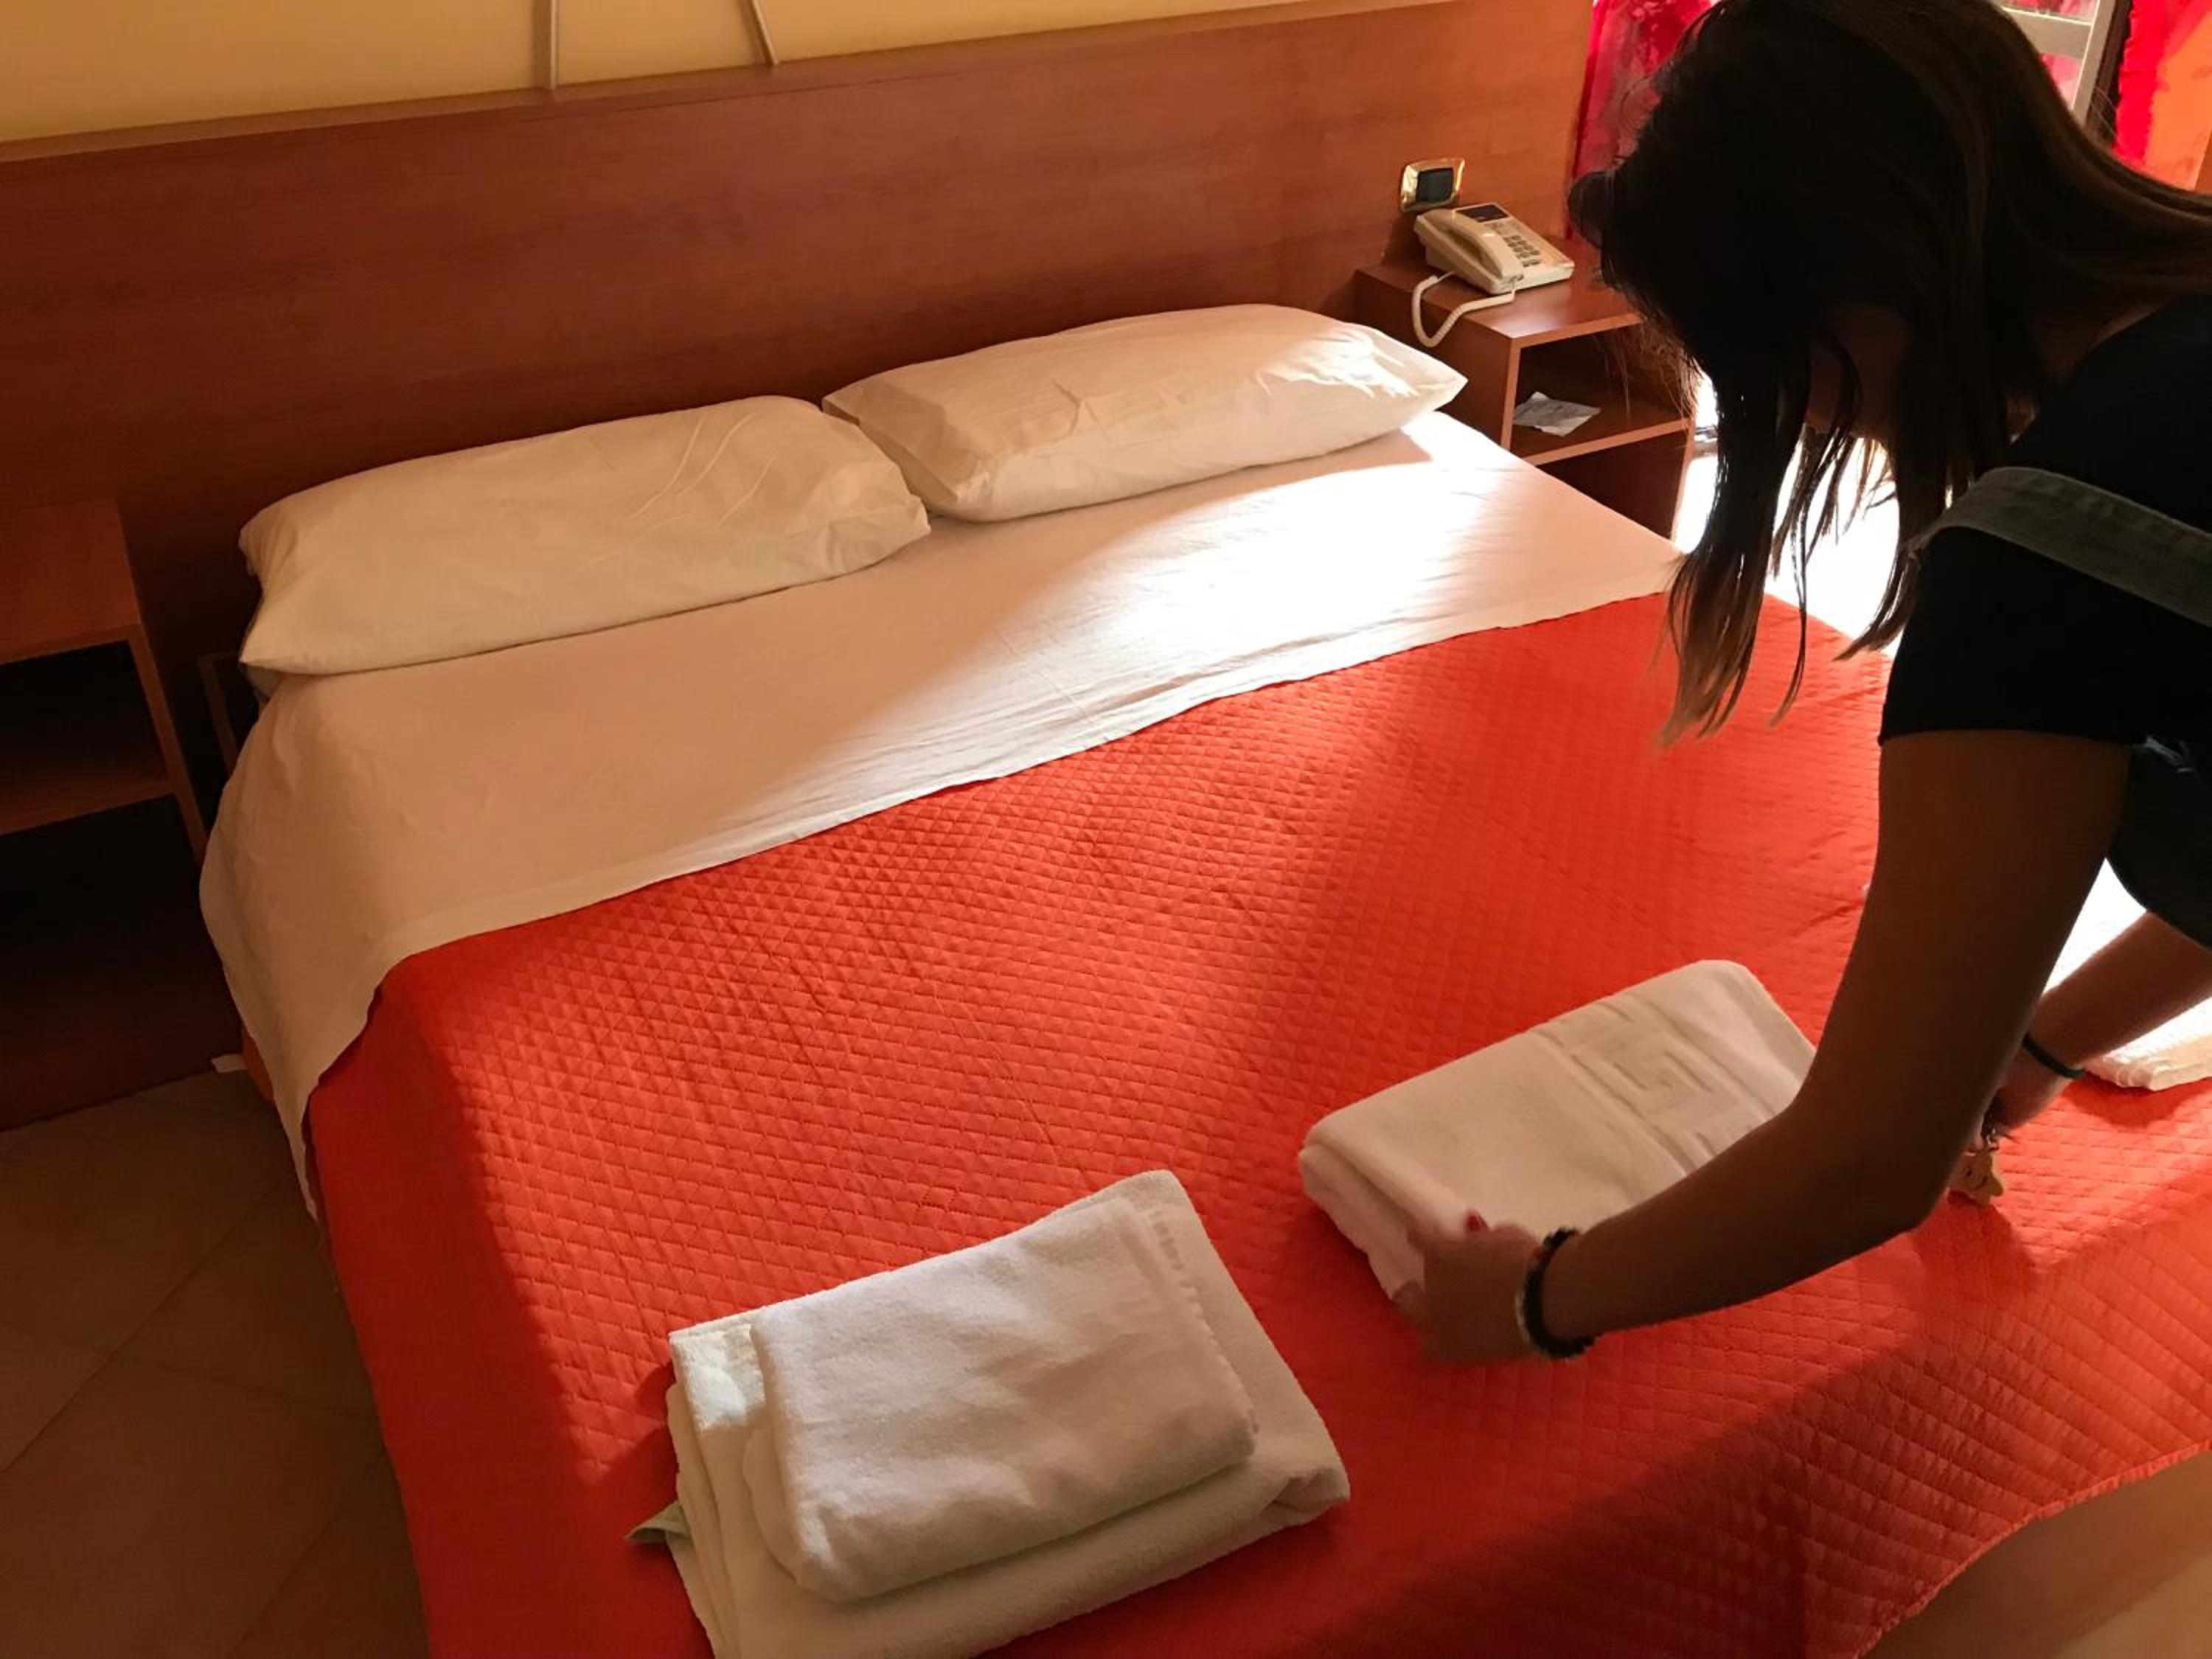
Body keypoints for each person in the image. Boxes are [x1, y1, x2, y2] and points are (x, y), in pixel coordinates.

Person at [1406, 0, 2212, 1363]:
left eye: (1751, 358)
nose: (1797, 411)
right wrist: (2039, 1046)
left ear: (1852, 298)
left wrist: (1536, 1295)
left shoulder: (2047, 555)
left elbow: (1867, 1163)